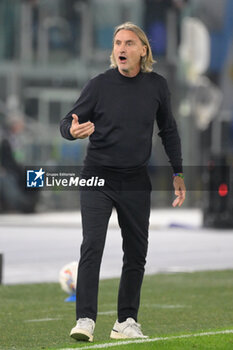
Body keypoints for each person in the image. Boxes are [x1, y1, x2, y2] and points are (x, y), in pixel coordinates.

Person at [60, 22, 186, 342]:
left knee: (136, 252)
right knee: (93, 246)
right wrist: (71, 132)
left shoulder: (157, 86)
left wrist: (178, 172)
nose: (121, 48)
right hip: (97, 177)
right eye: (117, 43)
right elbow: (67, 122)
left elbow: (168, 131)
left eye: (129, 43)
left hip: (134, 180)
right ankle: (85, 319)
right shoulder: (99, 85)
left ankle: (125, 321)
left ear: (143, 50)